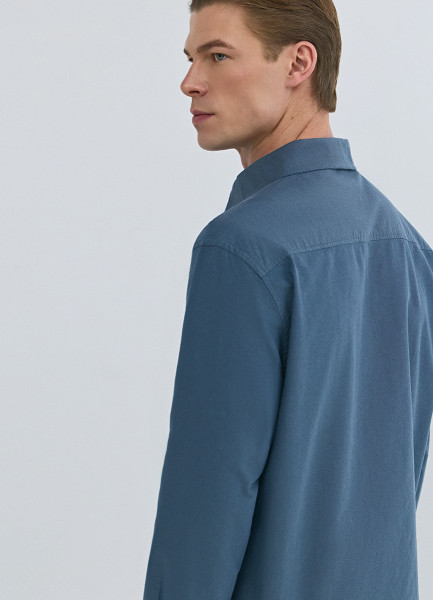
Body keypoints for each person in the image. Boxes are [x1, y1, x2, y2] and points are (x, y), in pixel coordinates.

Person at [143, 1, 433, 598]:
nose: (190, 81)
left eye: (217, 55)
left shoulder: (242, 249)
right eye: (191, 58)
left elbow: (206, 502)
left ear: (299, 63)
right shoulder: (406, 246)